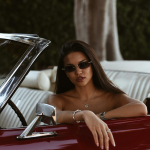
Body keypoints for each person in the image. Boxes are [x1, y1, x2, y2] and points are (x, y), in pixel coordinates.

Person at [48, 40, 147, 150]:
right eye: (70, 68)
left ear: (93, 65)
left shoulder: (111, 96)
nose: (78, 72)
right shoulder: (57, 99)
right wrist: (84, 114)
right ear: (65, 73)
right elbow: (53, 116)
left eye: (83, 64)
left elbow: (141, 108)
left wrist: (99, 117)